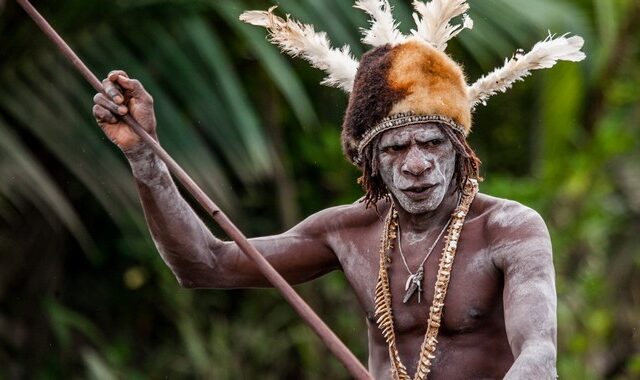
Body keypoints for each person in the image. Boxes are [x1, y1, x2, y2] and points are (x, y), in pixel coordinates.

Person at [92, 2, 585, 378]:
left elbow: (538, 354)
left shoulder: (509, 229)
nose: (416, 165)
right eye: (394, 150)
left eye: (432, 143)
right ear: (369, 162)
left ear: (458, 148)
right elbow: (204, 265)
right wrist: (145, 157)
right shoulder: (348, 231)